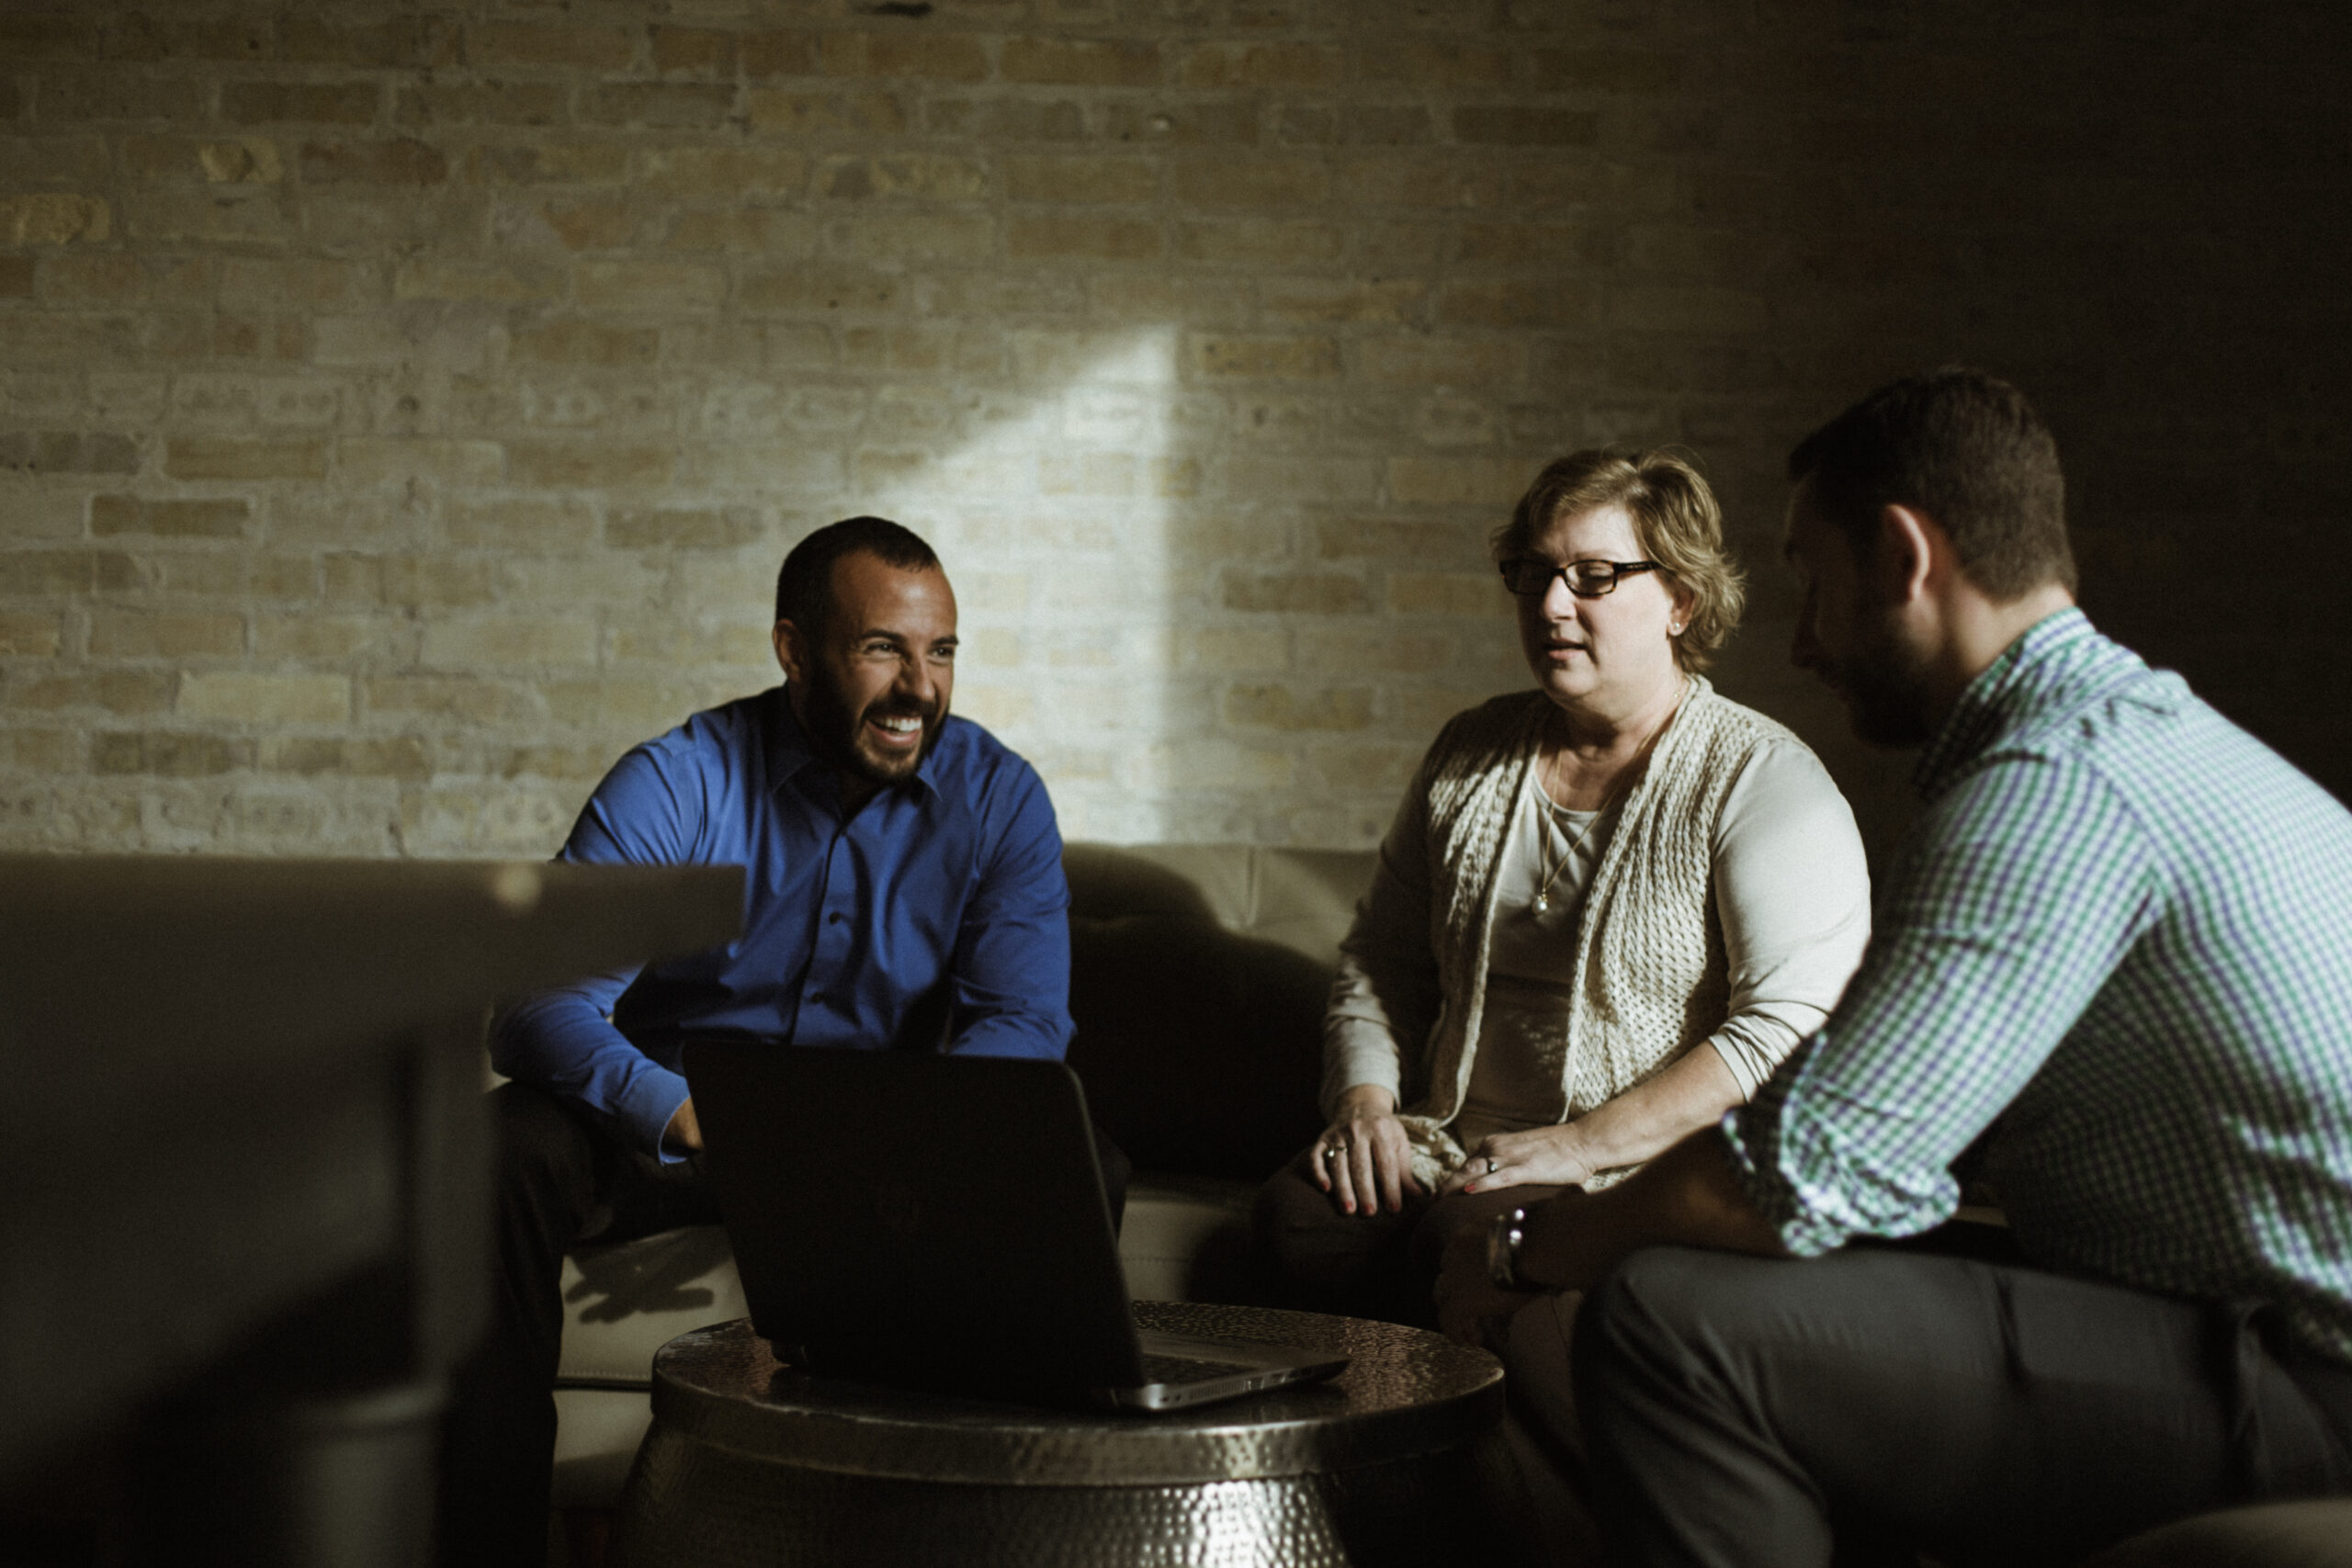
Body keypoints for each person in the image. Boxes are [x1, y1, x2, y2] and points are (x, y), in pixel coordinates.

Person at [1439, 367, 2352, 1565]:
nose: (1805, 635)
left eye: (1815, 577)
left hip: (2305, 1372)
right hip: (2234, 1318)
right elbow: (1885, 1126)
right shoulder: (2133, 731)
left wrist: (1529, 1244)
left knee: (1666, 1315)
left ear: (1906, 556)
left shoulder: (2053, 783)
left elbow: (1796, 1177)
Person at [438, 516, 1121, 1567]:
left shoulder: (998, 799)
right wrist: (679, 1111)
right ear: (793, 649)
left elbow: (1023, 1026)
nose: (918, 687)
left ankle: (986, 1534)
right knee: (498, 1149)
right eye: (881, 648)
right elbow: (534, 1006)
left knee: (1078, 1165)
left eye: (939, 652)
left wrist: (907, 1136)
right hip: (678, 1128)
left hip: (877, 1145)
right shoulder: (679, 780)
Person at [1253, 449, 1872, 1326]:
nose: (1550, 604)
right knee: (1294, 1224)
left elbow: (1787, 1026)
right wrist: (1365, 1109)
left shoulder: (1761, 780)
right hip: (1444, 1145)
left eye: (1593, 576)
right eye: (1535, 573)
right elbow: (1380, 961)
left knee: (1458, 1250)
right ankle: (1305, 1459)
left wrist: (1581, 1146)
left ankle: (1410, 1458)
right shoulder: (1470, 750)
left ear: (1680, 601)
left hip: (1628, 1175)